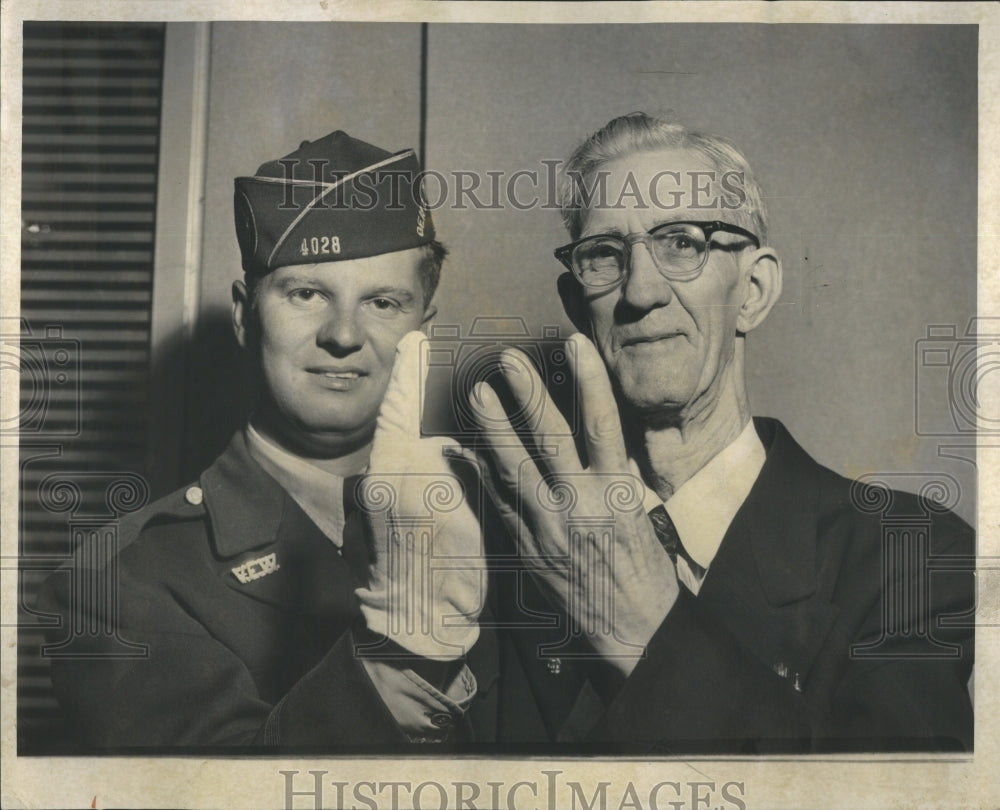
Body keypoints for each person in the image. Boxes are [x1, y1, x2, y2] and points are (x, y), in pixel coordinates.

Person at [468, 112, 975, 752]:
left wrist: (649, 620)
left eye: (682, 243)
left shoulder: (911, 557)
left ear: (754, 290)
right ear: (579, 307)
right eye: (605, 254)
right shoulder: (510, 551)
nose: (641, 290)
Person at [38, 130, 489, 749]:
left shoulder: (506, 527)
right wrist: (405, 658)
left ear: (423, 332)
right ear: (246, 314)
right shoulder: (121, 579)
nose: (343, 334)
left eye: (383, 302)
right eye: (307, 294)